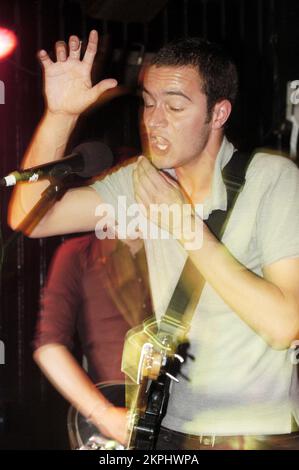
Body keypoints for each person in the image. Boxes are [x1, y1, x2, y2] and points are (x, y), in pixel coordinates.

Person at [8, 30, 299, 449]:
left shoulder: (272, 179)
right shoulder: (142, 180)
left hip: (258, 433)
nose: (154, 119)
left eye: (175, 106)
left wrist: (186, 227)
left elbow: (284, 325)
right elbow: (30, 218)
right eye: (148, 103)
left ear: (218, 114)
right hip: (170, 432)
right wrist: (60, 115)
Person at [33, 233, 151, 446]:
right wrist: (104, 414)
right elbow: (49, 347)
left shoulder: (176, 250)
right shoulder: (78, 253)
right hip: (117, 415)